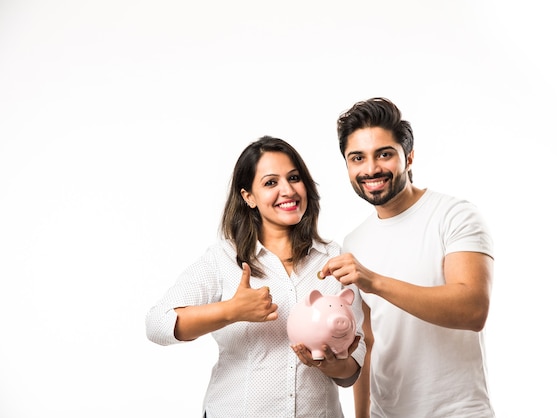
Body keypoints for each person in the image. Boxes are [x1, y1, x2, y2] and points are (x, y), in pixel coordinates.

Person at [145, 136, 365, 417]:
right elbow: (157, 324)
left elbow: (350, 371)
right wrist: (231, 311)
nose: (287, 190)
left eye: (294, 178)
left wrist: (328, 363)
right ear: (248, 196)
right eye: (271, 182)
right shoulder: (223, 258)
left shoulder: (335, 261)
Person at [319, 98, 495, 418]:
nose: (371, 169)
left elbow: (473, 309)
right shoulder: (354, 242)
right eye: (357, 158)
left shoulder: (454, 215)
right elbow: (367, 341)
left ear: (409, 157)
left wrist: (374, 281)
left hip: (458, 411)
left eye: (384, 154)